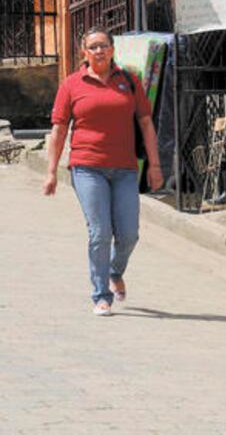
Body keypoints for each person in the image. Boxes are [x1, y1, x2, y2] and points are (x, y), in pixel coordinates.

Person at [43, 27, 164, 316]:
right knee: (100, 231)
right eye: (93, 47)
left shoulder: (129, 81)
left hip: (124, 168)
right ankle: (101, 295)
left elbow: (146, 123)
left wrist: (155, 165)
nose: (99, 51)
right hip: (87, 168)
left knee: (130, 233)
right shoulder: (72, 85)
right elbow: (59, 130)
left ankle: (114, 270)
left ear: (112, 50)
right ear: (84, 52)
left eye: (104, 46)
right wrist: (51, 172)